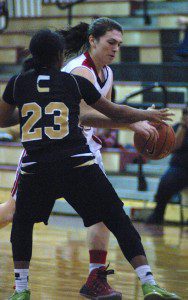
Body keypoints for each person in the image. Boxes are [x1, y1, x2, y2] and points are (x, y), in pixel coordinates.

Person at [0, 29, 180, 300]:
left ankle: (23, 290)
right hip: (76, 163)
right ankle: (148, 282)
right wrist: (146, 114)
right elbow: (114, 111)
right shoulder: (74, 80)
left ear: (33, 55)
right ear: (61, 56)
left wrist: (30, 108)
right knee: (117, 217)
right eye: (112, 42)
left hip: (38, 166)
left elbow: (3, 119)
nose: (116, 48)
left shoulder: (17, 84)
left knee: (22, 224)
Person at [146, 107, 188, 225]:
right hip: (179, 168)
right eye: (185, 113)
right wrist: (183, 127)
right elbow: (173, 147)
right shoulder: (176, 128)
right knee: (165, 182)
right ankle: (158, 214)